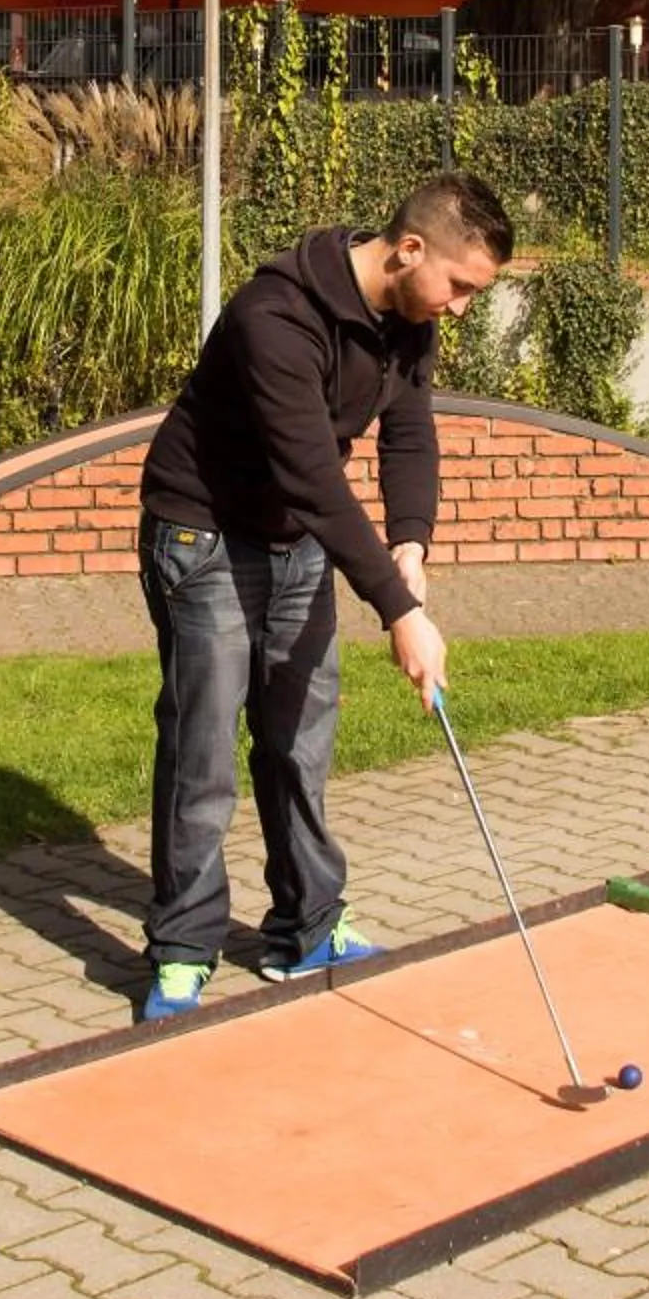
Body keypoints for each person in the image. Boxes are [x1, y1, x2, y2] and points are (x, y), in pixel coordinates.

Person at [133, 171, 515, 1023]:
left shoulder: (407, 321)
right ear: (409, 250)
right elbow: (312, 477)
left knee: (299, 741)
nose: (458, 309)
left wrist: (411, 542)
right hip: (205, 536)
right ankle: (184, 950)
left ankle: (304, 930)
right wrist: (400, 610)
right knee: (204, 755)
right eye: (457, 287)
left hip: (295, 541)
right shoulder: (276, 316)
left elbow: (409, 432)